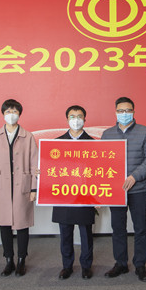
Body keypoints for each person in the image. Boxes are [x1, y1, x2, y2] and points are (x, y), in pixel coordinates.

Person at [102, 97, 146, 282]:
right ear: (115, 112)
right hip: (116, 191)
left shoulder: (145, 132)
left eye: (128, 110)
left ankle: (140, 265)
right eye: (120, 111)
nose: (124, 114)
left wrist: (134, 176)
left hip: (138, 188)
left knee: (140, 227)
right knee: (118, 227)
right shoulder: (107, 134)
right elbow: (101, 163)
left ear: (134, 111)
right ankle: (121, 263)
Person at [0, 99, 38, 277]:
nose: (11, 115)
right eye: (8, 112)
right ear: (3, 114)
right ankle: (8, 260)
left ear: (19, 114)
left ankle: (21, 260)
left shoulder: (28, 136)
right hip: (0, 186)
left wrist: (34, 189)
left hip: (22, 185)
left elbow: (34, 164)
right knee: (4, 224)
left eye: (14, 112)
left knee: (22, 224)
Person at [52, 105, 96, 280]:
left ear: (85, 119)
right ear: (67, 119)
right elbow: (50, 169)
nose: (76, 120)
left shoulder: (93, 144)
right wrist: (42, 171)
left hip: (85, 194)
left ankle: (86, 266)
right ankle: (67, 266)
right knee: (65, 233)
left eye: (79, 116)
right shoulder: (56, 143)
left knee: (86, 233)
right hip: (63, 195)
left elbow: (99, 171)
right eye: (72, 116)